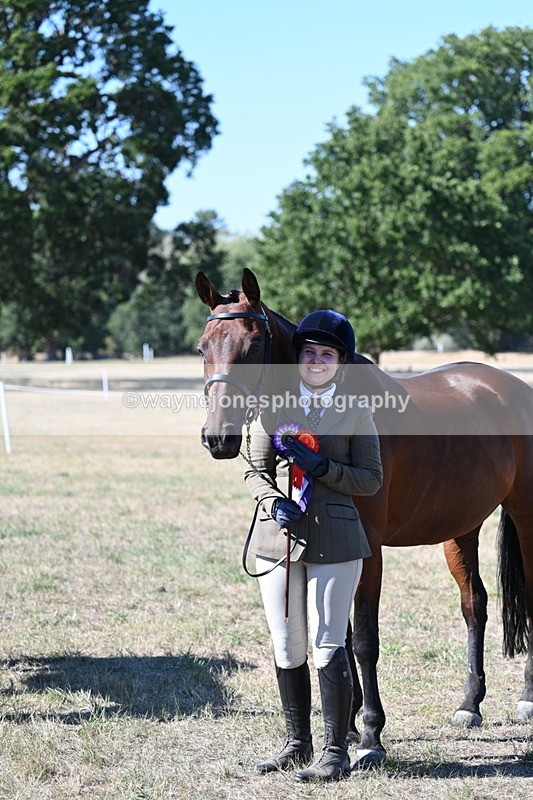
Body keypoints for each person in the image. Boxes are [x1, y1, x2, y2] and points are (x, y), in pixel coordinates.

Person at [243, 309, 383, 783]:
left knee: (327, 644)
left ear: (340, 362)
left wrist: (323, 470)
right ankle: (295, 743)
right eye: (309, 352)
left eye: (327, 354)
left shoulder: (356, 410)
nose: (317, 360)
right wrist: (271, 500)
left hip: (337, 538)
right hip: (277, 539)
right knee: (287, 646)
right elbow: (254, 471)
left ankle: (335, 751)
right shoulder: (272, 407)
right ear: (297, 357)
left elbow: (371, 479)